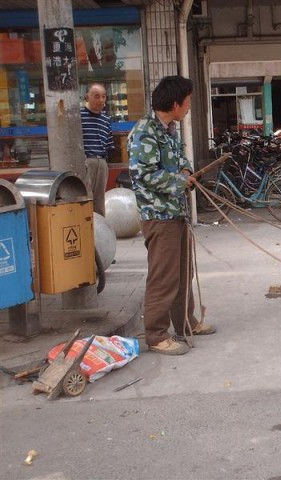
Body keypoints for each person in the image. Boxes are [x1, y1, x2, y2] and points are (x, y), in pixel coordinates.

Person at [128, 75, 216, 356]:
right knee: (163, 277)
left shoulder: (170, 130)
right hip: (159, 216)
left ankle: (185, 323)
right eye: (187, 101)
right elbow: (144, 174)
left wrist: (187, 172)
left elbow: (180, 159)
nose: (189, 106)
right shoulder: (145, 132)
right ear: (175, 103)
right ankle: (155, 335)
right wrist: (180, 182)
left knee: (183, 273)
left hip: (177, 213)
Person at [81, 82, 115, 217]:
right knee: (85, 196)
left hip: (102, 161)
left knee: (100, 199)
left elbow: (109, 143)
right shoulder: (79, 116)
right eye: (96, 96)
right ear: (87, 97)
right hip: (86, 161)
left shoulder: (106, 119)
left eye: (103, 96)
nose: (101, 100)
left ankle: (100, 230)